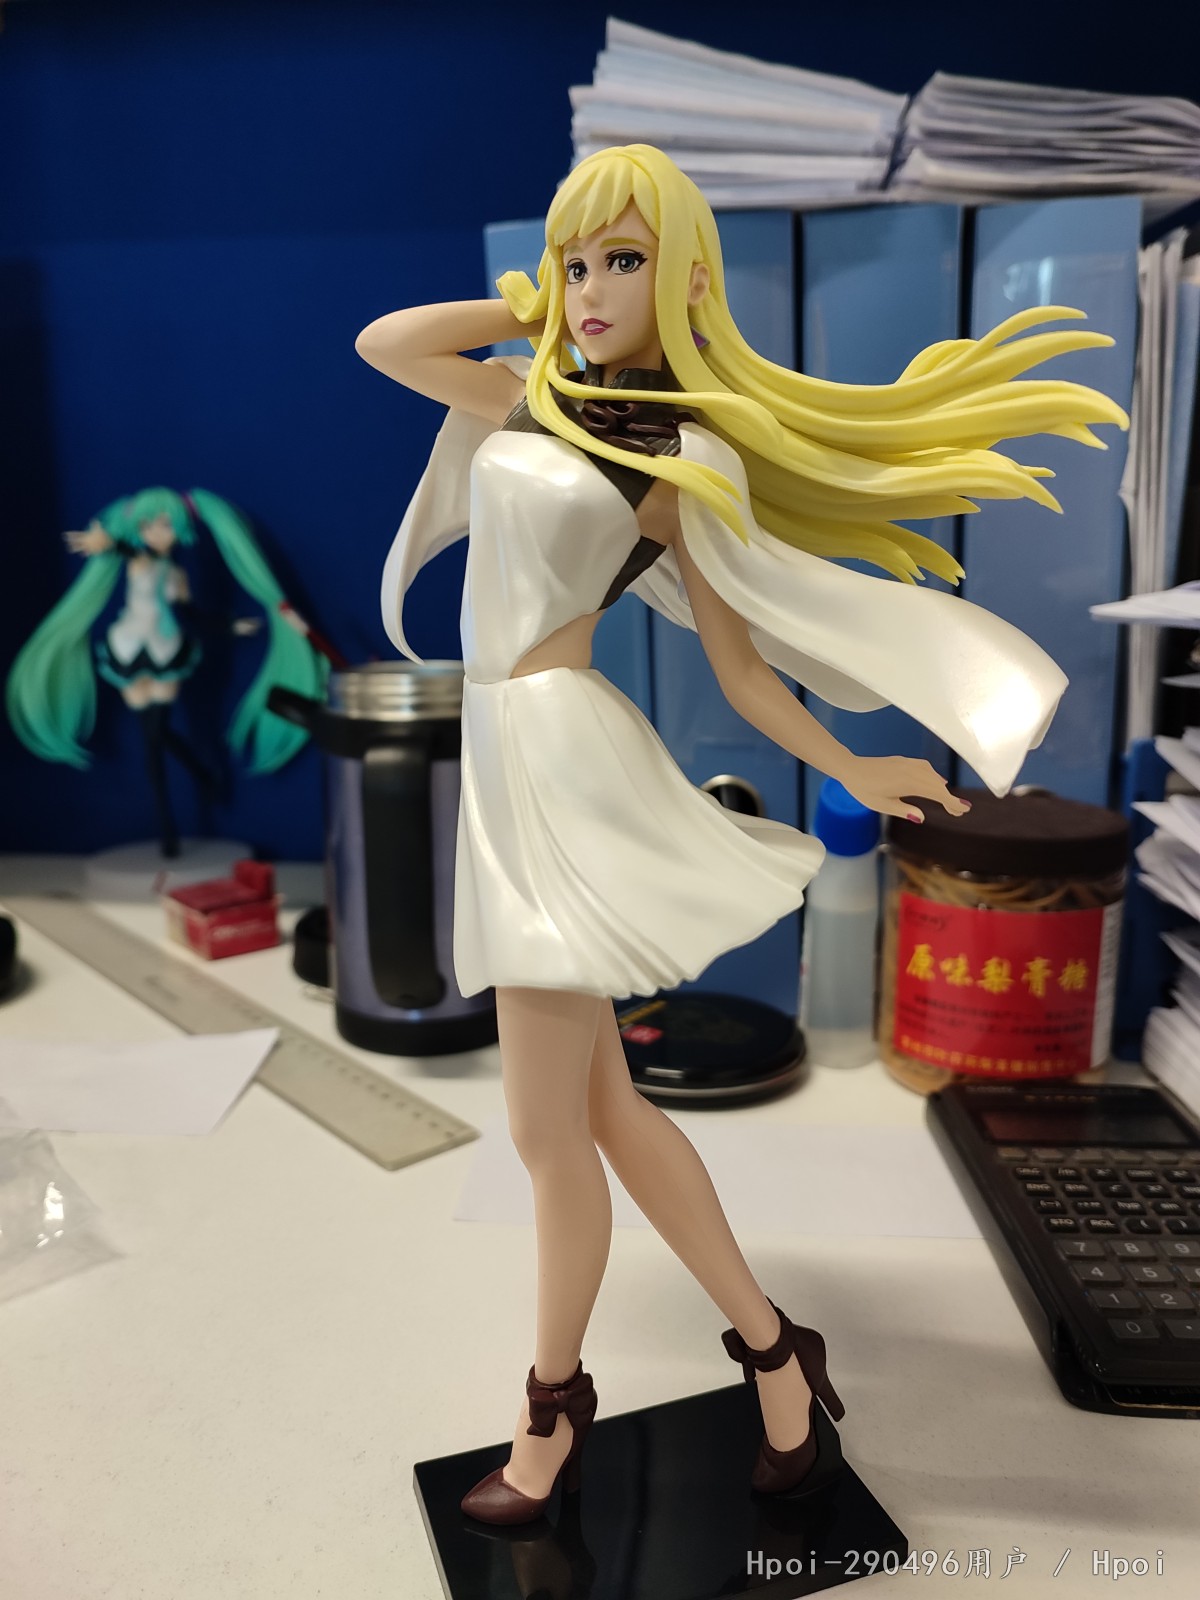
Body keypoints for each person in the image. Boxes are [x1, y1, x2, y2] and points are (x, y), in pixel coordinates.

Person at [356, 143, 1127, 1522]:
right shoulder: (534, 392)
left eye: (624, 260)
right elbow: (388, 342)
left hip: (562, 763)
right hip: (505, 763)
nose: (593, 289)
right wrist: (527, 302)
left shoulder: (681, 457)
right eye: (580, 261)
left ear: (691, 280)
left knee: (543, 1133)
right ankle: (777, 1356)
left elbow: (744, 668)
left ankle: (551, 1412)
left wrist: (851, 759)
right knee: (603, 1111)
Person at [6, 487, 326, 857]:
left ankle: (173, 819)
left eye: (165, 524)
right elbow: (130, 552)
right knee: (153, 737)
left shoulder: (176, 574)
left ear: (181, 527)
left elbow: (192, 616)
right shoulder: (139, 560)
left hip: (166, 650)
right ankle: (191, 786)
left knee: (156, 736)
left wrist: (230, 626)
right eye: (147, 526)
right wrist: (109, 543)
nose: (156, 533)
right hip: (129, 649)